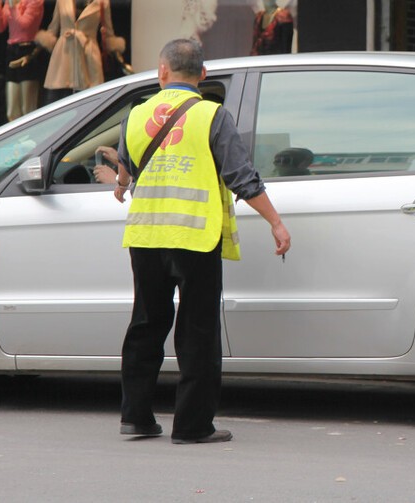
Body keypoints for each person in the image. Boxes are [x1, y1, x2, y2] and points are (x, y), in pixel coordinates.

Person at [101, 38, 291, 444]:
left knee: (146, 323)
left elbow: (128, 166)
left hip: (147, 236)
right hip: (195, 238)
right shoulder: (212, 116)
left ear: (161, 72)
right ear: (203, 76)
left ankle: (135, 417)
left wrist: (119, 185)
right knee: (197, 331)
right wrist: (275, 221)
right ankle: (191, 426)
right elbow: (240, 176)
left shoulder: (135, 115)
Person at [36, 0, 126, 105]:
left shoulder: (102, 2)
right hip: (63, 56)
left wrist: (121, 59)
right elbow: (52, 29)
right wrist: (34, 51)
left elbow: (109, 34)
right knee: (54, 103)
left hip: (88, 56)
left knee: (90, 104)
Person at [0, 0, 46, 122]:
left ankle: (32, 136)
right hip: (12, 51)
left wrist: (12, 6)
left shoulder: (35, 2)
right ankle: (16, 138)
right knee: (12, 109)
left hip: (27, 51)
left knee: (28, 107)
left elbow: (24, 25)